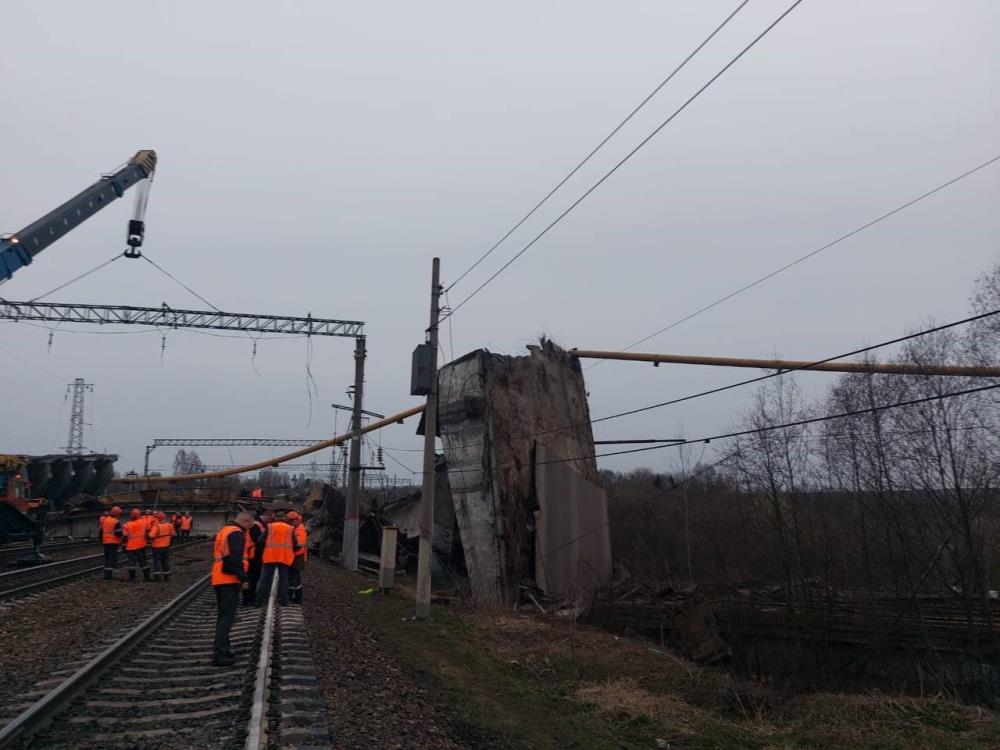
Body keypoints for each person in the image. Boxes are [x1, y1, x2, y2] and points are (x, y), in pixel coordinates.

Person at [211, 511, 255, 666]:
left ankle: (224, 648)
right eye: (250, 524)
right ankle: (219, 653)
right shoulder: (236, 534)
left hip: (220, 578)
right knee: (227, 617)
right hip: (228, 579)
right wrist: (243, 578)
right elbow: (235, 559)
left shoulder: (225, 530)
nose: (250, 528)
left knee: (224, 615)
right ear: (246, 521)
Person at [255, 511, 298, 607]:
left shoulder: (269, 527)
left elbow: (260, 541)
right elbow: (295, 544)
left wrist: (263, 551)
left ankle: (258, 602)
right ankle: (284, 601)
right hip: (284, 557)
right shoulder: (290, 529)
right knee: (284, 580)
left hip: (270, 557)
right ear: (285, 519)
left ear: (275, 518)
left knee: (264, 579)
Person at [242, 510, 268, 606]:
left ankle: (249, 598)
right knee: (252, 578)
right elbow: (258, 540)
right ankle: (249, 599)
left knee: (251, 578)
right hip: (254, 556)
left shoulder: (252, 525)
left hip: (251, 555)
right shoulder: (255, 525)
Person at [122, 509, 152, 582]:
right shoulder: (144, 522)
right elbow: (149, 530)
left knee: (131, 563)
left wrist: (124, 546)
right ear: (139, 515)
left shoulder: (127, 524)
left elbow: (124, 537)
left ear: (131, 515)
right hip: (141, 545)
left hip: (130, 547)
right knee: (143, 562)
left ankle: (132, 579)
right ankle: (146, 577)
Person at [148, 511, 176, 582]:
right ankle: (166, 578)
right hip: (166, 547)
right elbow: (173, 534)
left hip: (156, 548)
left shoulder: (156, 526)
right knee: (166, 562)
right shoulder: (170, 525)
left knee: (157, 562)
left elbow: (151, 535)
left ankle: (158, 578)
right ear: (164, 517)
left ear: (158, 518)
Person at [287, 511, 307, 604]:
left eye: (291, 521)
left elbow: (299, 544)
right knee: (295, 577)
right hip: (296, 556)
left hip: (297, 556)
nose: (290, 523)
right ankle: (296, 597)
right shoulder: (297, 528)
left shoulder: (300, 530)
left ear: (296, 519)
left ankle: (293, 596)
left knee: (294, 576)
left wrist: (288, 550)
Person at [99, 506, 123, 580]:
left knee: (107, 557)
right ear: (117, 514)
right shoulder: (116, 521)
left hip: (105, 542)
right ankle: (108, 575)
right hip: (113, 542)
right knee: (111, 558)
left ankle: (106, 573)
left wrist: (102, 540)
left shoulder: (104, 520)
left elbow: (100, 532)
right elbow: (118, 533)